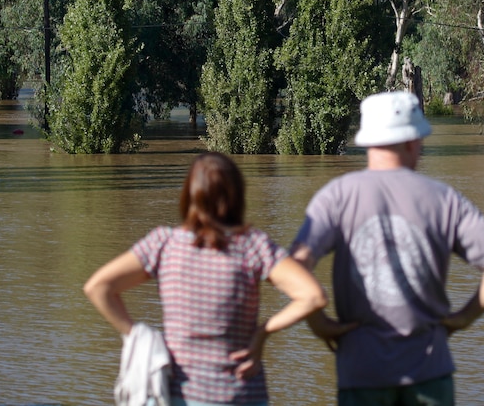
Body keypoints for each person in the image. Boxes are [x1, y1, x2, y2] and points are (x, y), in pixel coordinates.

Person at [291, 91, 484, 406]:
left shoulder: (336, 196)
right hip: (430, 372)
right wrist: (465, 317)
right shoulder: (444, 199)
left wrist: (319, 323)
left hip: (361, 372)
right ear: (413, 142)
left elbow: (295, 265)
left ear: (368, 141)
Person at [85, 152, 327, 406]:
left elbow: (98, 287)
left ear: (189, 195)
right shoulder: (253, 246)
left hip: (180, 395)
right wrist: (263, 331)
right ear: (237, 195)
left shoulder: (163, 244)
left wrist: (137, 334)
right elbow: (313, 296)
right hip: (242, 395)